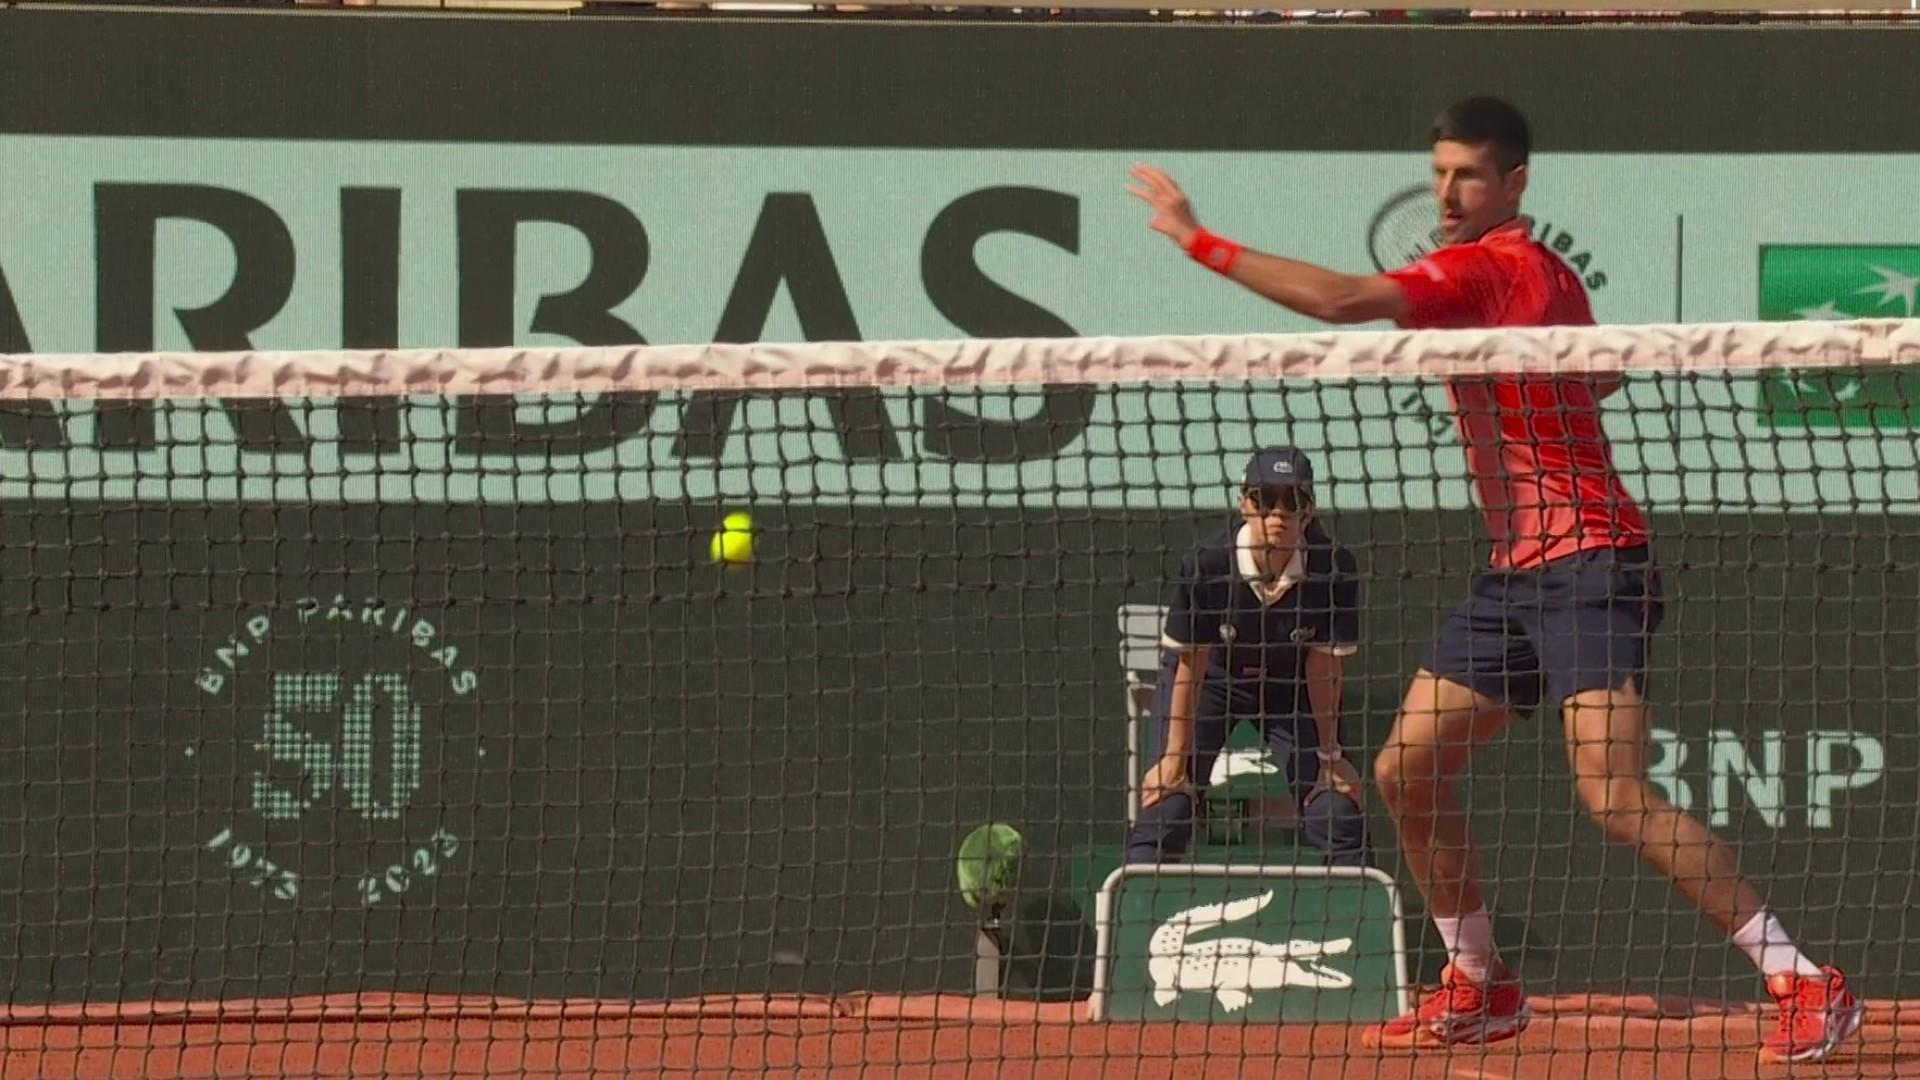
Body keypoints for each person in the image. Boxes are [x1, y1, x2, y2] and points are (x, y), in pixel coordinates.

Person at [1126, 96, 1861, 1064]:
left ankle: (1804, 981)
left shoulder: (1492, 267)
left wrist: (1196, 242)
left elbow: (1346, 304)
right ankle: (1480, 982)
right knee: (1404, 769)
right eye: (1437, 173)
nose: (1446, 191)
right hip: (1515, 578)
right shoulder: (1545, 276)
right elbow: (1593, 378)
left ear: (1513, 184)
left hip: (1595, 562)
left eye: (1467, 175)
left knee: (1614, 795)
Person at [1129, 447, 1369, 870]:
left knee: (1336, 810)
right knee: (1168, 806)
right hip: (1213, 683)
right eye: (1264, 499)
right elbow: (1191, 664)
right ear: (1245, 503)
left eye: (1291, 501)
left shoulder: (1334, 569)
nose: (1278, 512)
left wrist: (1331, 758)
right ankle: (1132, 922)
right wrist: (1173, 760)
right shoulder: (1207, 564)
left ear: (1309, 511)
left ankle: (1364, 930)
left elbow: (1323, 667)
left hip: (1289, 692)